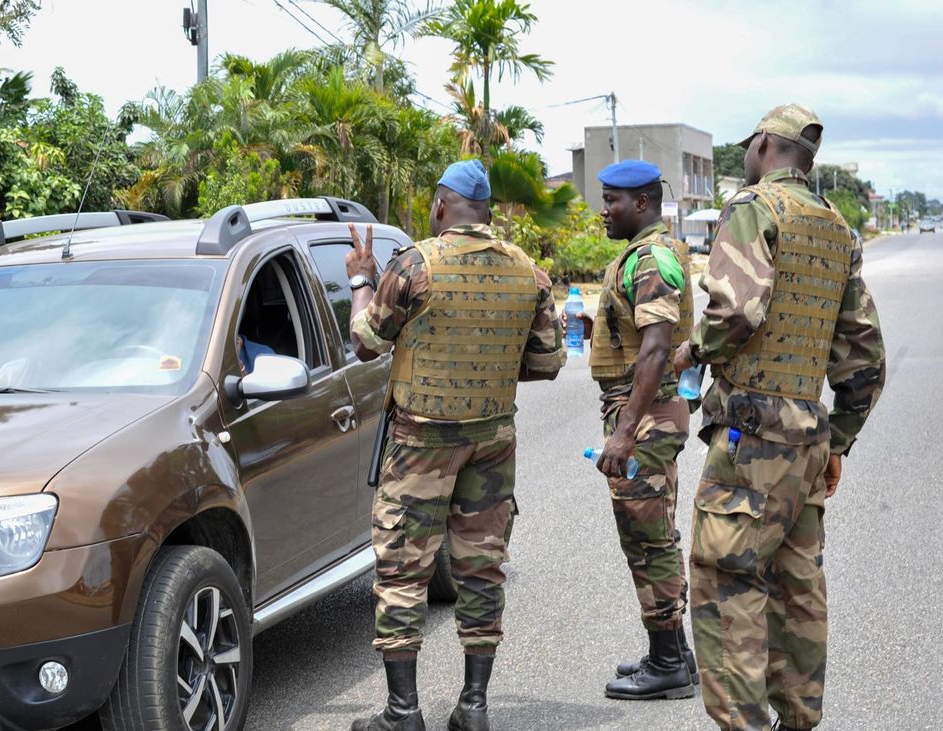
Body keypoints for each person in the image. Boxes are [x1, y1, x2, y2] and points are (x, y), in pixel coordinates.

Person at [672, 104, 886, 730]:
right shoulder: (837, 228)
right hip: (807, 443)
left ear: (765, 143)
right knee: (797, 595)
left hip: (750, 439)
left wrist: (695, 351)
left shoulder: (753, 207)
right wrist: (836, 441)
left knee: (725, 587)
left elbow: (736, 313)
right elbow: (865, 359)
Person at [346, 159, 566, 731]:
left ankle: (402, 712)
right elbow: (546, 364)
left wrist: (360, 279)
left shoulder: (413, 267)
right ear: (487, 211)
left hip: (422, 440)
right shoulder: (530, 273)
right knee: (481, 570)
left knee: (402, 572)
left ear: (441, 207)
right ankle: (474, 707)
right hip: (492, 440)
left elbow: (367, 342)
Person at [570, 160, 698, 701]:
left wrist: (624, 432)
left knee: (647, 539)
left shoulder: (651, 259)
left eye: (612, 200)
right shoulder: (642, 256)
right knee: (651, 534)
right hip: (643, 411)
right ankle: (673, 653)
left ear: (642, 203)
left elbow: (656, 349)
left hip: (646, 414)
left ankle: (668, 663)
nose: (604, 210)